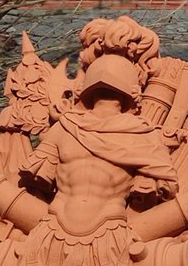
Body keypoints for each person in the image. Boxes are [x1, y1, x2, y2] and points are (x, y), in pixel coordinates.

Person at [17, 54, 178, 266]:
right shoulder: (145, 136)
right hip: (102, 233)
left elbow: (35, 178)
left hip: (57, 229)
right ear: (132, 92)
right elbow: (167, 188)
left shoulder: (64, 127)